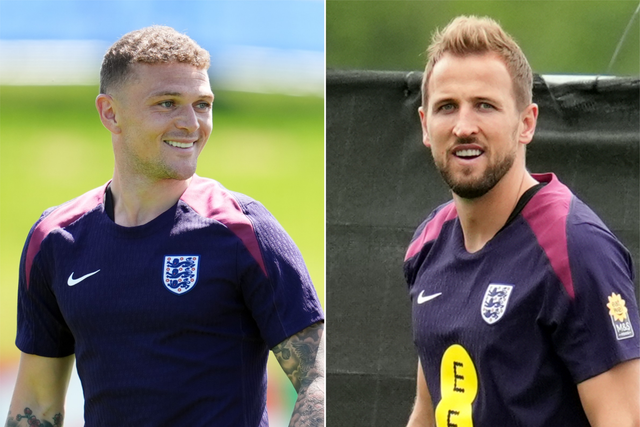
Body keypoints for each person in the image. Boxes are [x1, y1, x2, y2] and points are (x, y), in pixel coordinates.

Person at [5, 26, 324, 427]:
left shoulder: (244, 230)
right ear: (110, 112)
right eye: (168, 103)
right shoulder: (54, 239)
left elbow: (318, 376)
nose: (191, 124)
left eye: (203, 105)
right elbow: (36, 401)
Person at [403, 15, 639, 427]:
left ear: (526, 123)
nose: (463, 127)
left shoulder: (576, 249)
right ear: (426, 125)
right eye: (447, 107)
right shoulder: (428, 242)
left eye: (485, 105)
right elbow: (428, 411)